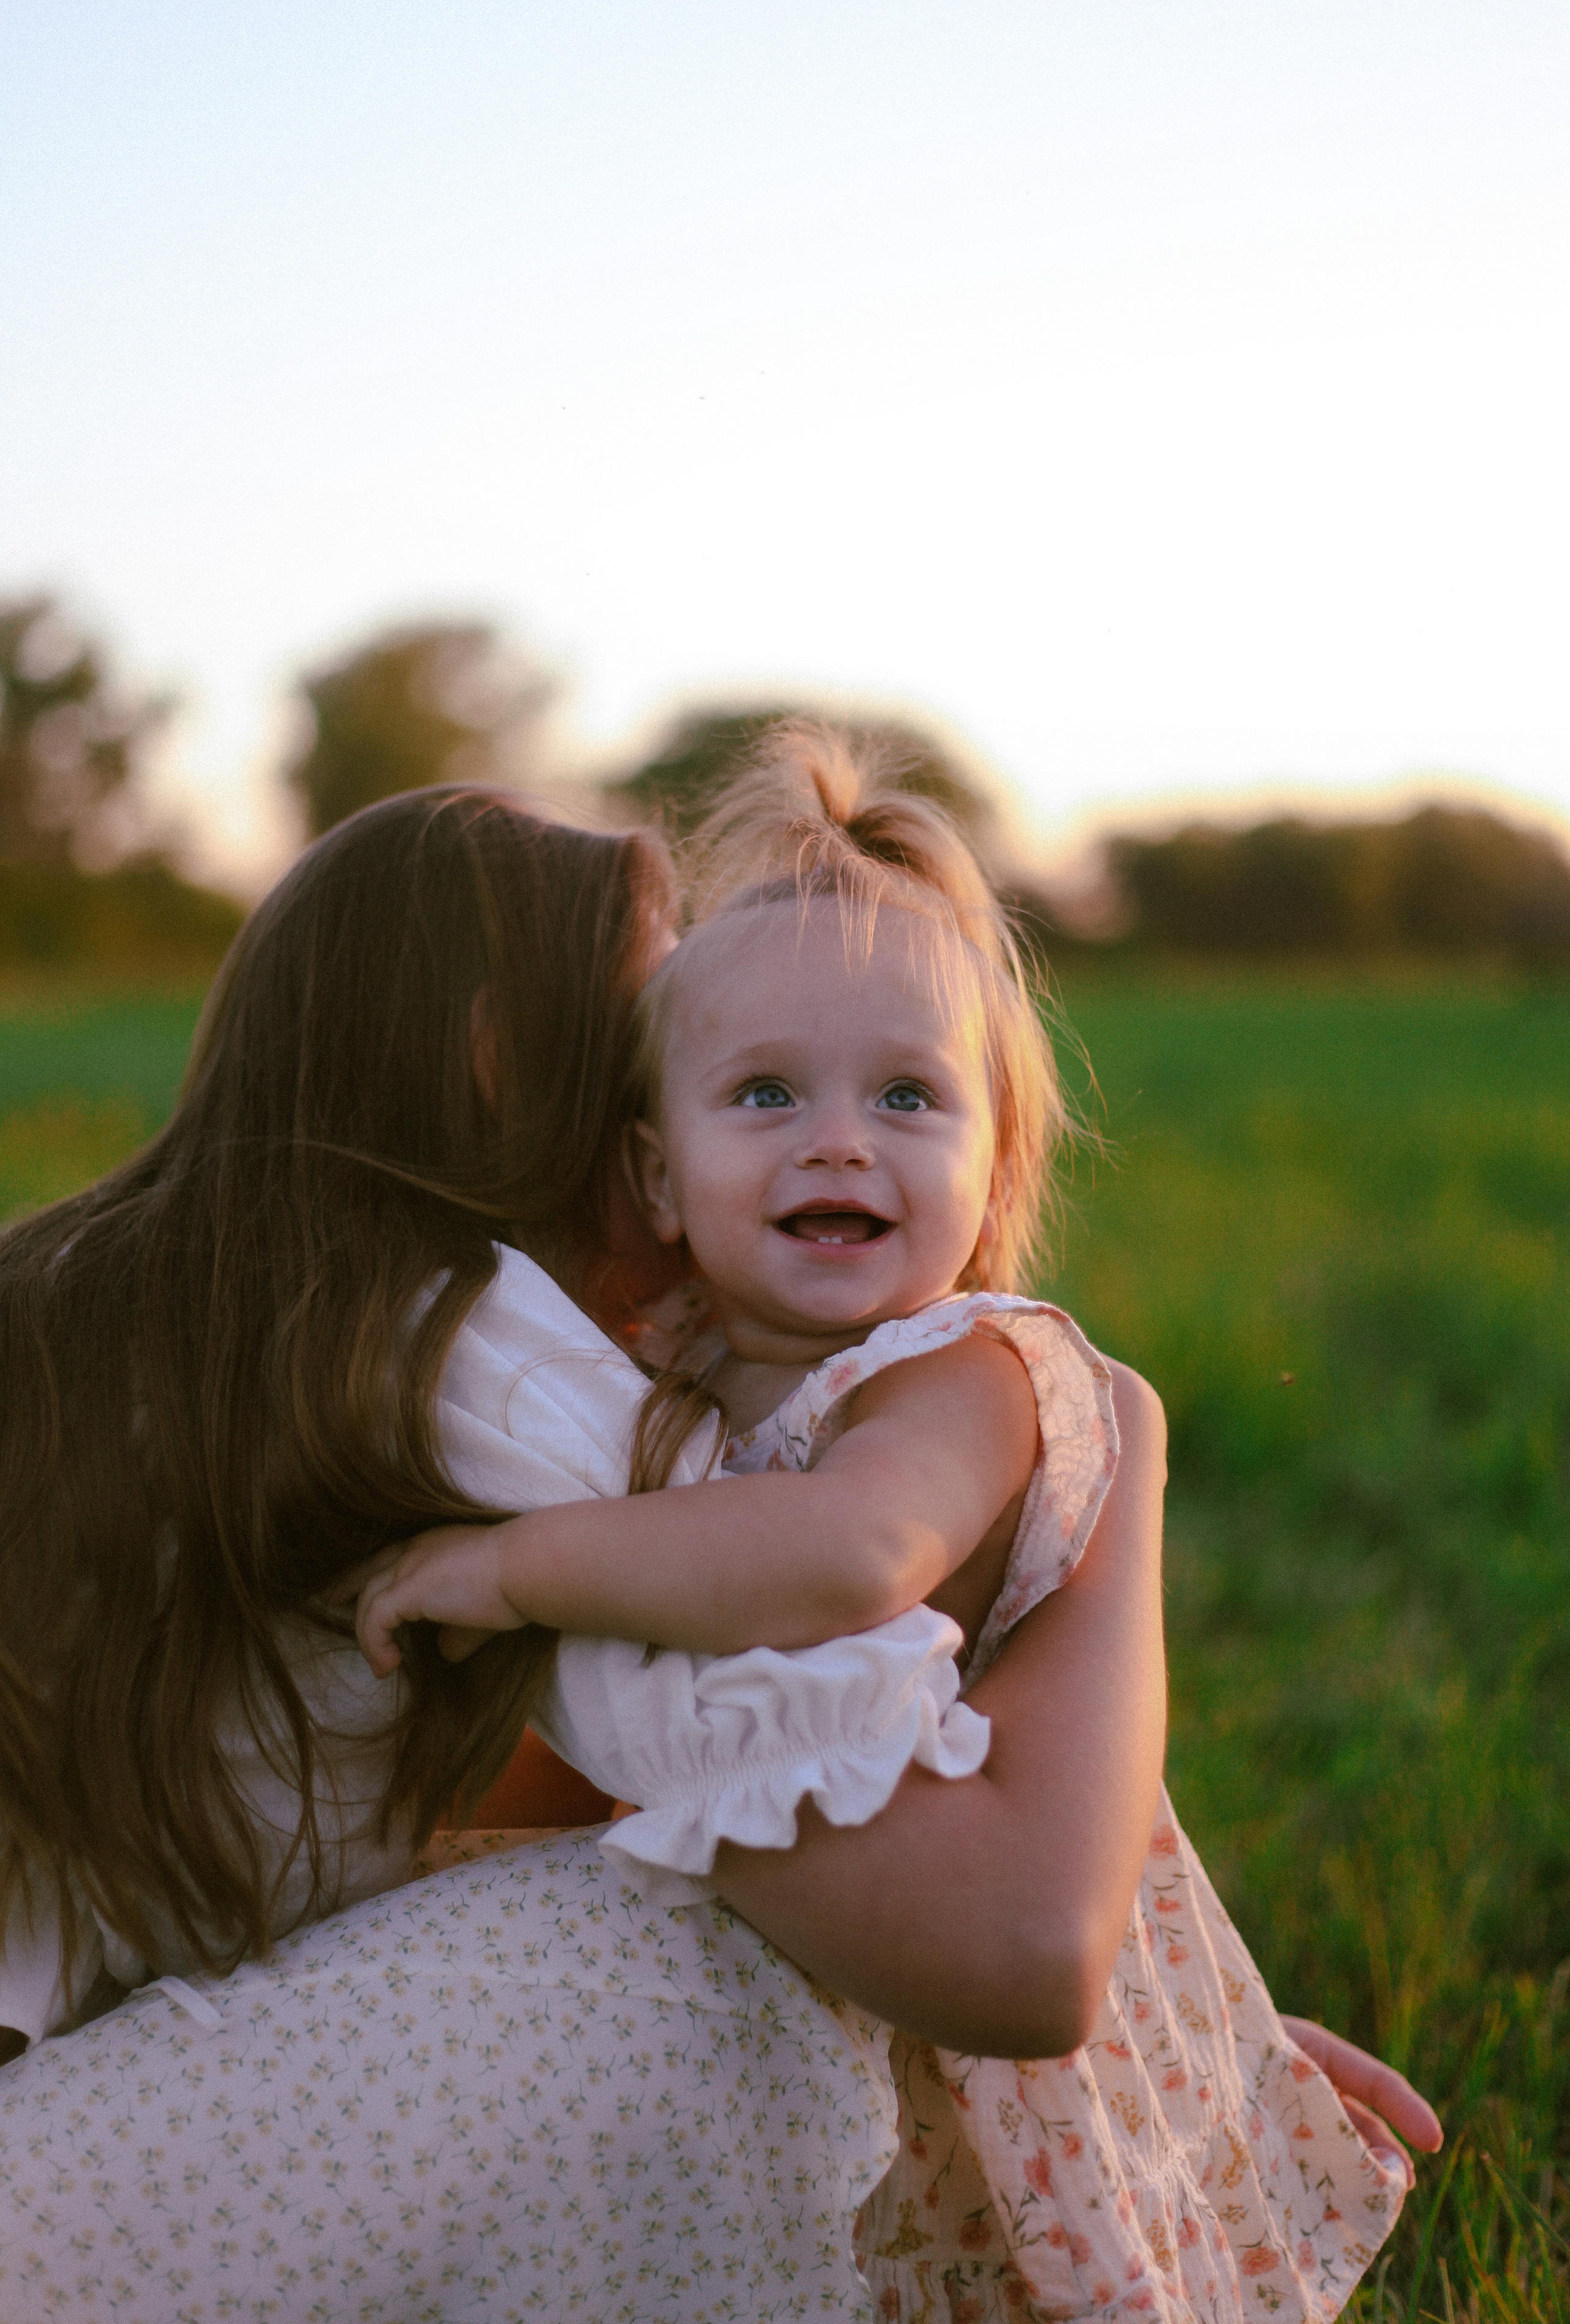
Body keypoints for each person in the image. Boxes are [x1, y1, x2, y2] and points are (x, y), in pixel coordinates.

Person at [0, 782, 1436, 2322]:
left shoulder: (119, 1284)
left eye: (900, 1094)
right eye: (695, 1054)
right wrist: (1112, 1462)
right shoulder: (480, 1373)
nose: (811, 1137)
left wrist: (1194, 2024)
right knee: (703, 1957)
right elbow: (1011, 1947)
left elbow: (442, 1805)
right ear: (525, 1076)